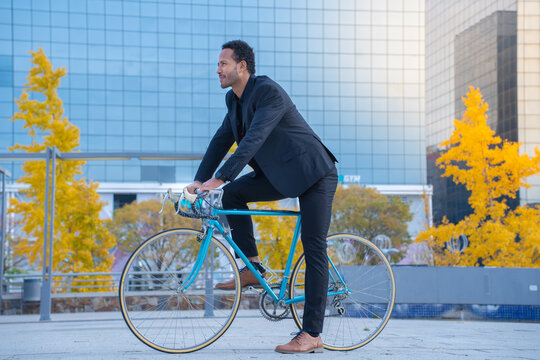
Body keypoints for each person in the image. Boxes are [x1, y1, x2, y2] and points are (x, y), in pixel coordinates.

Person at [186, 40, 338, 354]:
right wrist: (200, 179)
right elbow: (221, 140)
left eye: (223, 64)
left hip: (314, 173)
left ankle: (311, 334)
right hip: (280, 175)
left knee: (313, 248)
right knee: (233, 195)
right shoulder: (234, 101)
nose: (218, 70)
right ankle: (253, 267)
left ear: (242, 66)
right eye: (218, 64)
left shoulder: (268, 92)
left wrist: (220, 176)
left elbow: (252, 140)